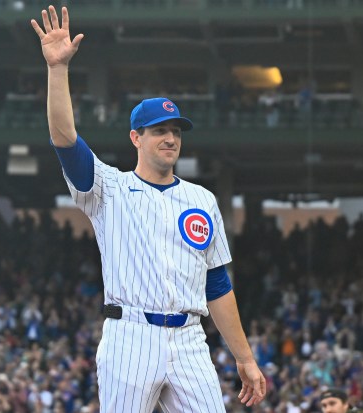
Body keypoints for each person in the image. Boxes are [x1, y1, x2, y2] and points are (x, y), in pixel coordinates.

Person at [30, 6, 266, 413]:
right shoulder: (108, 187)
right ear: (136, 137)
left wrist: (244, 358)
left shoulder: (202, 200)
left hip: (190, 338)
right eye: (159, 130)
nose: (170, 138)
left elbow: (217, 287)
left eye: (175, 131)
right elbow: (65, 139)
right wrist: (57, 70)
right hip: (130, 335)